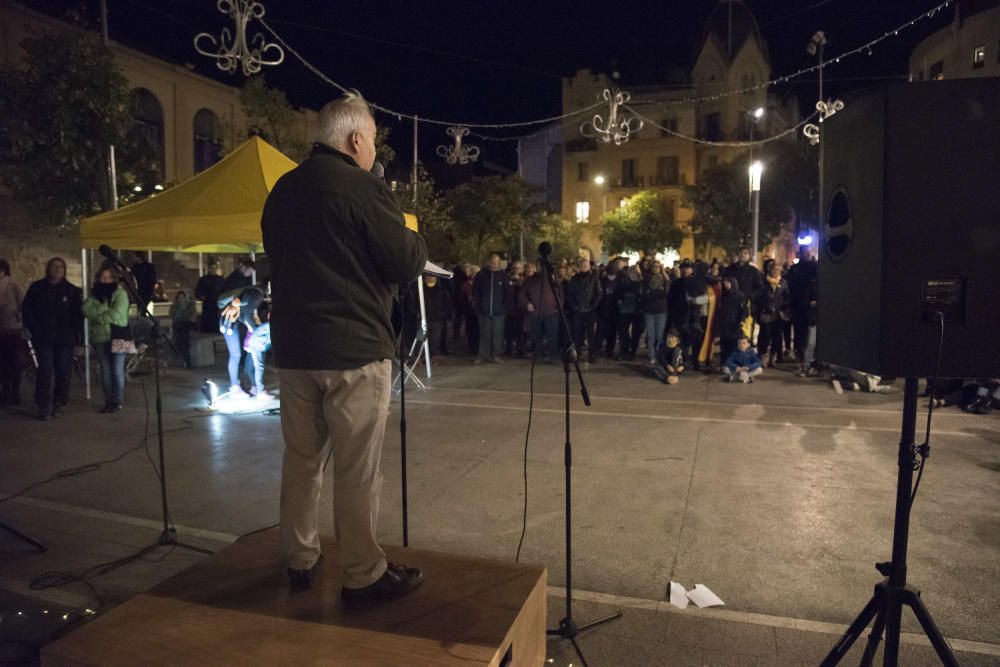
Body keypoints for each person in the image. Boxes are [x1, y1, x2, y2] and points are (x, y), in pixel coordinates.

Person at [261, 91, 427, 600]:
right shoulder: (362, 188)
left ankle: (300, 559)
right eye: (373, 139)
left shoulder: (282, 191)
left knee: (302, 462)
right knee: (357, 470)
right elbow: (404, 261)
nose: (374, 149)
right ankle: (363, 574)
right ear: (356, 138)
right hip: (353, 350)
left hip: (294, 350)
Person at [21, 258, 83, 420]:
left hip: (65, 339)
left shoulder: (72, 291)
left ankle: (58, 402)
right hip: (43, 337)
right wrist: (31, 328)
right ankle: (43, 403)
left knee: (63, 371)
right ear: (48, 269)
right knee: (45, 370)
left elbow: (77, 316)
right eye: (54, 266)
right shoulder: (37, 288)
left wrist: (78, 338)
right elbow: (27, 309)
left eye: (61, 266)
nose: (57, 269)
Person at [81, 267, 130, 413]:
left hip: (121, 335)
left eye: (109, 277)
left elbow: (117, 313)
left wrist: (98, 316)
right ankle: (108, 401)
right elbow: (85, 310)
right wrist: (105, 311)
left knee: (117, 370)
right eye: (102, 277)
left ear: (114, 279)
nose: (105, 280)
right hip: (99, 336)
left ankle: (117, 401)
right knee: (105, 371)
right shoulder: (93, 295)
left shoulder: (121, 293)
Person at [218, 284, 265, 396]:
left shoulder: (247, 293)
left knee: (238, 354)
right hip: (228, 323)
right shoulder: (257, 295)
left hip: (231, 322)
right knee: (235, 355)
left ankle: (238, 385)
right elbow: (247, 315)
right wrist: (256, 330)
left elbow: (245, 314)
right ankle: (234, 387)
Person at [472, 253, 510, 364]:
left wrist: (504, 307)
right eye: (492, 262)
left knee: (497, 334)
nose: (494, 264)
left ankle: (496, 355)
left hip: (499, 311)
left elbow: (508, 293)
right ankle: (483, 355)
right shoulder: (481, 275)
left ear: (499, 263)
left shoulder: (503, 276)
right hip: (483, 310)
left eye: (496, 262)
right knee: (484, 333)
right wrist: (478, 304)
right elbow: (475, 291)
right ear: (489, 262)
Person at [519, 261, 560, 363]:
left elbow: (560, 294)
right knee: (537, 337)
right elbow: (522, 295)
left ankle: (554, 356)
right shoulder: (529, 281)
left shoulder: (553, 279)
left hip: (551, 313)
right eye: (538, 266)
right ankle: (538, 356)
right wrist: (527, 304)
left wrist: (559, 307)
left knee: (552, 336)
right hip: (536, 313)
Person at [786, 249, 818, 376]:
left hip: (811, 311)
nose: (808, 254)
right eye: (806, 252)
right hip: (799, 308)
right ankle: (802, 362)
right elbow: (790, 286)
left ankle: (809, 363)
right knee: (800, 338)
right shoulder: (795, 270)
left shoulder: (815, 269)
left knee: (810, 340)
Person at [0, 259, 25, 406]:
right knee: (2, 364)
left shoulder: (13, 286)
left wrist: (17, 315)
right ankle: (5, 391)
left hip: (13, 330)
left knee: (15, 362)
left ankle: (15, 391)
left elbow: (22, 304)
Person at [755, 262, 790, 368]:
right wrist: (762, 307)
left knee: (777, 337)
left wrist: (784, 306)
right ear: (770, 270)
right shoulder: (763, 282)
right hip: (766, 314)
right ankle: (762, 357)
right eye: (774, 269)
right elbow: (757, 297)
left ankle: (772, 359)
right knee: (765, 336)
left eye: (778, 270)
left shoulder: (783, 283)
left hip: (778, 315)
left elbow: (787, 296)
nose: (776, 272)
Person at [567, 257, 601, 363]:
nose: (584, 267)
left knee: (591, 334)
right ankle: (575, 355)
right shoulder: (574, 279)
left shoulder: (594, 278)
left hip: (590, 311)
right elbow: (570, 295)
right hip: (578, 311)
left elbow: (599, 293)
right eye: (582, 265)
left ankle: (592, 355)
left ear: (589, 266)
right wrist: (575, 306)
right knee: (577, 334)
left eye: (585, 265)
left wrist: (592, 306)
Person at [640, 261, 669, 364]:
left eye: (658, 267)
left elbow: (665, 293)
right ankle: (652, 356)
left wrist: (652, 293)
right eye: (654, 267)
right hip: (649, 310)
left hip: (661, 311)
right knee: (651, 335)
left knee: (659, 335)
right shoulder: (646, 279)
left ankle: (659, 354)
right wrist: (657, 293)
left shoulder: (664, 279)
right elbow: (644, 294)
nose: (656, 268)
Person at [716, 277, 748, 369]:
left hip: (734, 324)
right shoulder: (724, 295)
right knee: (724, 345)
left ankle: (733, 365)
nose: (726, 284)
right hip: (724, 324)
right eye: (725, 283)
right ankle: (724, 364)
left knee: (733, 345)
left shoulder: (739, 295)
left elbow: (743, 311)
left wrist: (741, 322)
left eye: (728, 282)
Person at [195, 261, 225, 334]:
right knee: (208, 319)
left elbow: (224, 290)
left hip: (218, 304)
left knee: (216, 319)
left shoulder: (220, 280)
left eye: (215, 268)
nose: (213, 270)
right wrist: (202, 297)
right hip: (208, 304)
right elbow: (198, 292)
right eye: (212, 268)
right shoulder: (204, 280)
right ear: (208, 269)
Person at [170, 290, 197, 368]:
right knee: (183, 335)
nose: (181, 299)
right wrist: (181, 314)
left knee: (183, 334)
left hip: (188, 325)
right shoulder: (174, 307)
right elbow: (173, 317)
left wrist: (182, 317)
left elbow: (192, 317)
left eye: (183, 297)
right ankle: (187, 359)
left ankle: (185, 358)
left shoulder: (191, 306)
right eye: (179, 297)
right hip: (179, 326)